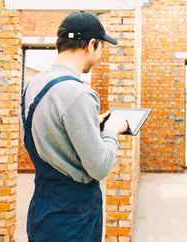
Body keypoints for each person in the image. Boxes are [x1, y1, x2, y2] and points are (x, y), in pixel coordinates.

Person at [20, 11, 128, 242]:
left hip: (43, 207)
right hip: (73, 215)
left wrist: (89, 125)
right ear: (91, 45)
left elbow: (46, 132)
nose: (100, 53)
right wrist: (111, 130)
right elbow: (99, 167)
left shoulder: (33, 84)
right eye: (101, 47)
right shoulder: (79, 93)